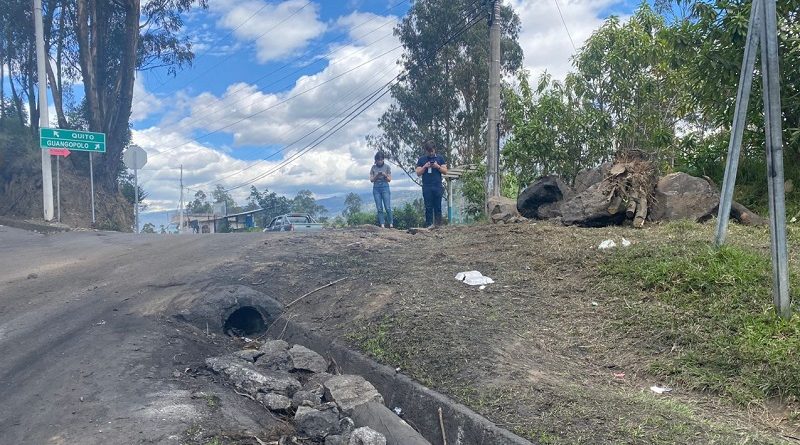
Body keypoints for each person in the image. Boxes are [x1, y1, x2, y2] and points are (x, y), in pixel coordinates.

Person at [415, 140, 448, 227]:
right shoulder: (422, 160)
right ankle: (429, 226)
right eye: (428, 151)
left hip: (437, 186)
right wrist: (425, 166)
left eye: (432, 151)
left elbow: (445, 171)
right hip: (427, 187)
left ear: (434, 149)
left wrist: (437, 167)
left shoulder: (440, 158)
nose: (430, 153)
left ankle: (438, 225)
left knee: (438, 207)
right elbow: (418, 173)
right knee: (428, 207)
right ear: (426, 150)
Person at [370, 151, 393, 228]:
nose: (379, 161)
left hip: (385, 186)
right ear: (376, 160)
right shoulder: (373, 167)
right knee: (379, 207)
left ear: (383, 159)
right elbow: (371, 180)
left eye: (381, 159)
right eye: (378, 160)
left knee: (387, 207)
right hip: (376, 188)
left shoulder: (387, 167)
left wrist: (384, 175)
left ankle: (391, 223)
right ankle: (382, 224)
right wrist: (377, 175)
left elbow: (389, 179)